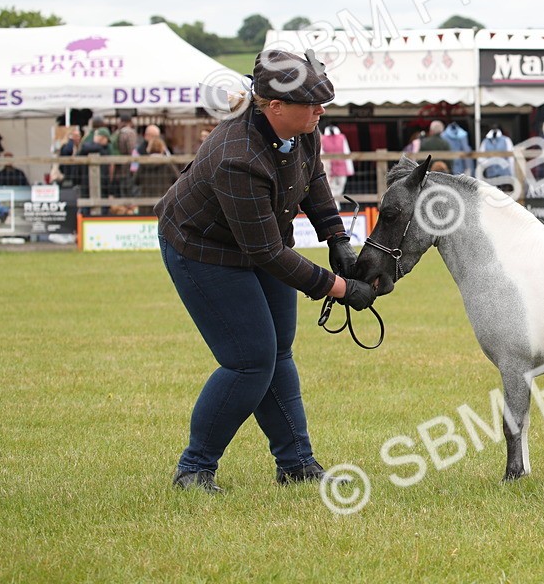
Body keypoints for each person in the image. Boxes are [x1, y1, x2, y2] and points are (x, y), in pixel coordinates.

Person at [155, 49, 378, 493]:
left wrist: (337, 239)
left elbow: (312, 178)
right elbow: (268, 253)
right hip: (203, 249)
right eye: (311, 103)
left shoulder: (303, 128)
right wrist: (338, 287)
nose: (321, 110)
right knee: (248, 361)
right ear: (274, 105)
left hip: (259, 243)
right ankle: (194, 469)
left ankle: (296, 464)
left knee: (278, 353)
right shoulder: (236, 156)